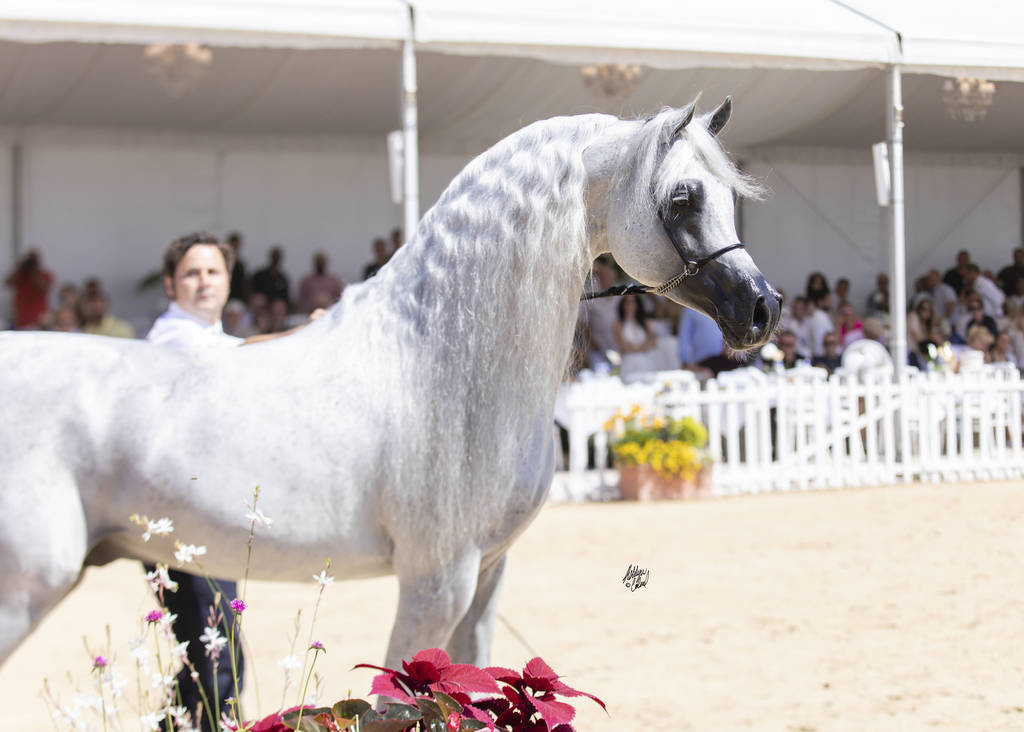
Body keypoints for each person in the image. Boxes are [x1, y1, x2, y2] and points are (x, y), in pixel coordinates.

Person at [579, 256, 620, 370]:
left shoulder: (622, 291)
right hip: (598, 347)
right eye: (602, 273)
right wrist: (591, 342)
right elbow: (583, 322)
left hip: (620, 345)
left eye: (608, 273)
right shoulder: (590, 293)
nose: (606, 277)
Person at [5, 249, 54, 329]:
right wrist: (20, 268)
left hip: (39, 319)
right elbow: (7, 283)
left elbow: (43, 288)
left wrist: (33, 272)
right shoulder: (20, 274)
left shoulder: (44, 274)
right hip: (21, 317)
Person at [613, 296, 657, 381]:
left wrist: (636, 348)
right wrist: (641, 348)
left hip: (646, 359)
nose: (631, 305)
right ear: (623, 305)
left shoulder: (645, 322)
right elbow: (622, 346)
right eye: (628, 302)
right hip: (628, 360)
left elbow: (653, 342)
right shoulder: (617, 324)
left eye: (633, 302)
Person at [676, 307, 723, 371]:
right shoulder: (690, 308)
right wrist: (687, 362)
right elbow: (684, 337)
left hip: (725, 360)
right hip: (702, 362)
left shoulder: (722, 306)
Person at [226, 231, 250, 303]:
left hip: (239, 299)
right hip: (225, 299)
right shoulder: (222, 264)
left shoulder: (241, 265)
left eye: (236, 246)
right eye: (233, 245)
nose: (234, 248)